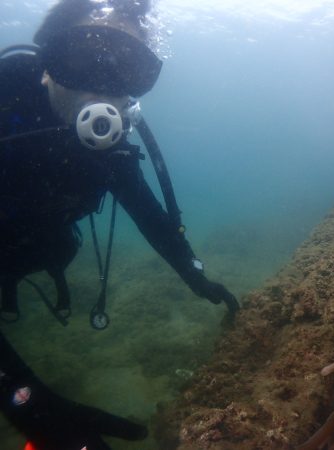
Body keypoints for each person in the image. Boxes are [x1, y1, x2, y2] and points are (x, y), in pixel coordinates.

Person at [0, 0, 240, 448]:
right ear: (47, 66)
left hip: (38, 244)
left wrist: (193, 273)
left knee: (57, 249)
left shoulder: (108, 150)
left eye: (125, 68)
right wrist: (25, 400)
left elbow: (147, 212)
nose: (101, 88)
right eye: (81, 57)